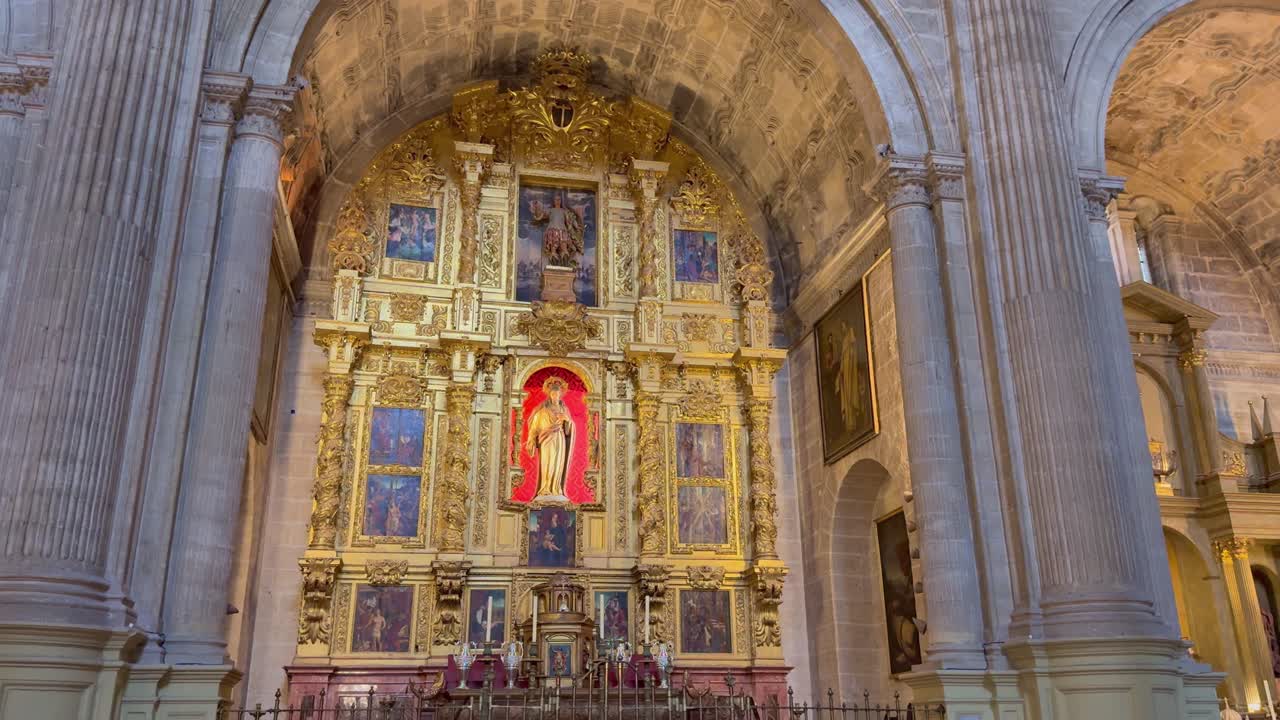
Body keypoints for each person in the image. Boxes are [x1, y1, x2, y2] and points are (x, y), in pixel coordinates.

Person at [525, 377, 574, 500]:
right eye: (552, 393)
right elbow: (535, 426)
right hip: (546, 441)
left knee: (558, 464)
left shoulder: (565, 410)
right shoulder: (543, 411)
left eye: (557, 394)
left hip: (560, 439)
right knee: (548, 464)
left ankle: (556, 489)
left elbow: (569, 430)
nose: (555, 396)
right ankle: (545, 488)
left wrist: (567, 420)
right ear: (550, 395)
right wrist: (531, 438)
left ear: (560, 395)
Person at [529, 193, 585, 267]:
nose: (558, 201)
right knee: (553, 249)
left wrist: (577, 227)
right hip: (552, 231)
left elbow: (571, 220)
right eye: (556, 199)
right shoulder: (551, 210)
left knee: (564, 248)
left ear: (561, 201)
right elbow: (541, 216)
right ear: (554, 201)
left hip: (563, 231)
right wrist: (536, 208)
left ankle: (564, 264)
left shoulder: (564, 211)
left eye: (559, 199)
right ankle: (553, 264)